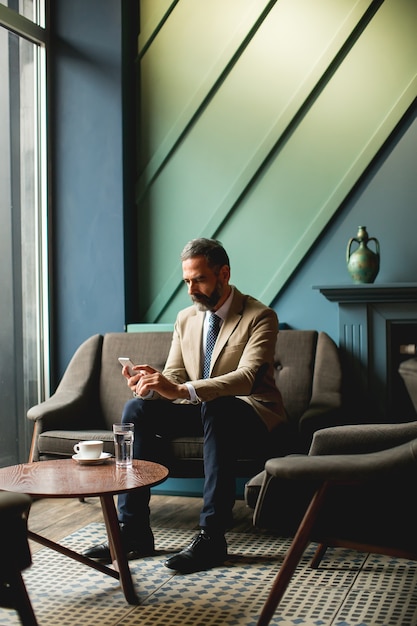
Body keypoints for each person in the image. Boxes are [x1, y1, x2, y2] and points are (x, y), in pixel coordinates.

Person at [84, 238, 286, 573]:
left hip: (250, 411)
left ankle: (211, 537)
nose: (192, 289)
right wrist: (151, 385)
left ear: (224, 273)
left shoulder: (259, 316)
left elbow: (248, 377)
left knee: (218, 407)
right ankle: (132, 530)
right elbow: (176, 373)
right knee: (136, 409)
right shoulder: (186, 318)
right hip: (200, 408)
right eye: (187, 281)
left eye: (200, 279)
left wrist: (180, 388)